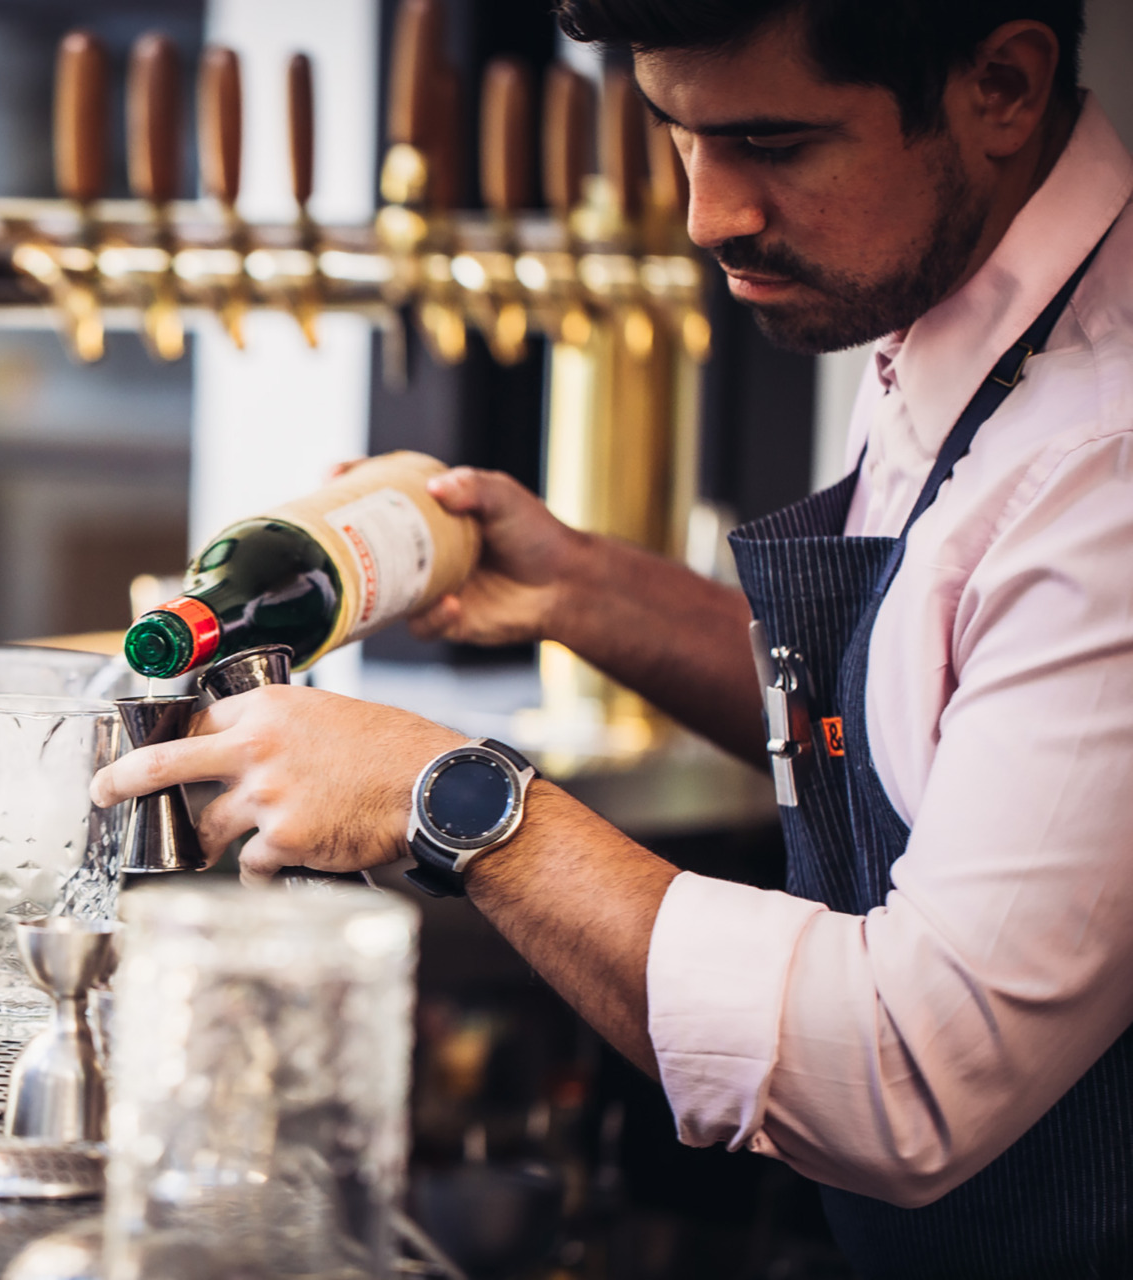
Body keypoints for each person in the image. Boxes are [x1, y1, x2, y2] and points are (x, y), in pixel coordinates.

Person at [91, 2, 1133, 1275]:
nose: (710, 215)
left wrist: (452, 795)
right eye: (678, 134)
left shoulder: (1109, 453)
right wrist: (578, 588)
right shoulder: (966, 303)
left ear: (1006, 87)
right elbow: (927, 709)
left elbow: (908, 1068)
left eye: (776, 142)